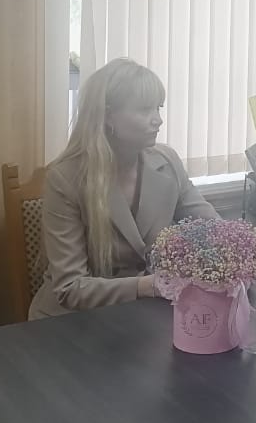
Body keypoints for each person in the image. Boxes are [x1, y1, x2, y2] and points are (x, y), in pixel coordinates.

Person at [30, 57, 218, 320]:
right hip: (71, 321)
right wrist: (147, 286)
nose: (158, 120)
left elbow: (213, 227)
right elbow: (70, 288)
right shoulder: (64, 179)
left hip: (140, 316)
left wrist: (240, 249)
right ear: (108, 115)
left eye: (158, 108)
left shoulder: (167, 162)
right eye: (144, 110)